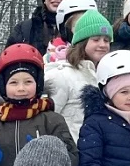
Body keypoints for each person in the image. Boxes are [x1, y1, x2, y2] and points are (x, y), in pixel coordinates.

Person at [44, 8, 110, 141]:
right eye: (96, 39)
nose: (103, 45)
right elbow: (47, 121)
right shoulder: (61, 76)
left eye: (107, 40)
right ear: (82, 42)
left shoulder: (107, 77)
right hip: (68, 151)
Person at [46, 0, 98, 64]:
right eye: (77, 26)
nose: (83, 30)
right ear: (65, 30)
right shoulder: (53, 57)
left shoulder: (100, 52)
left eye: (87, 25)